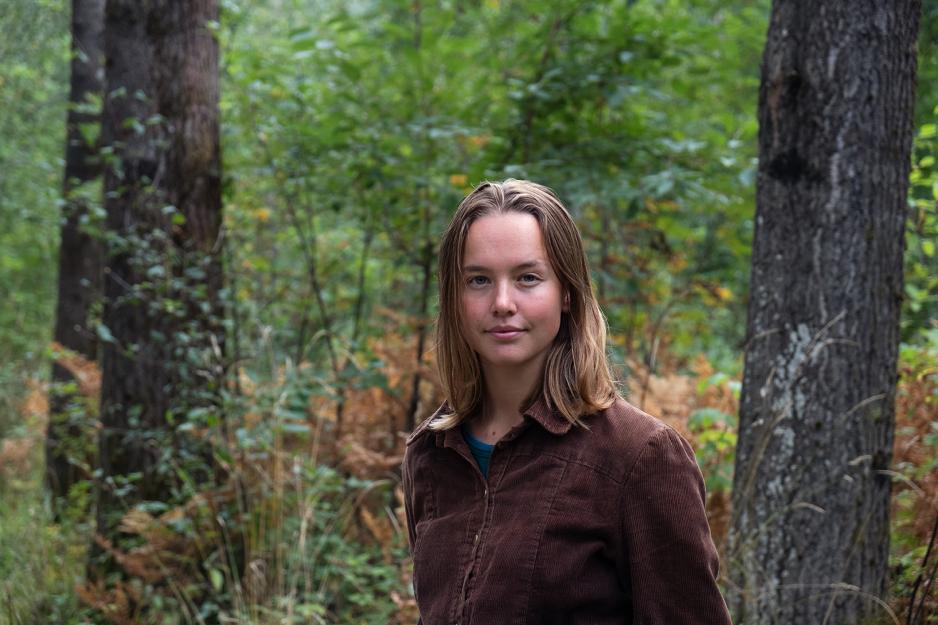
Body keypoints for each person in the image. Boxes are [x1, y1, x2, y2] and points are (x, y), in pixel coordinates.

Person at [401, 179, 732, 624]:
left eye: (528, 278)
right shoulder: (431, 453)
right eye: (478, 280)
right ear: (454, 298)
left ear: (567, 293)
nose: (502, 302)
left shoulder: (639, 456)